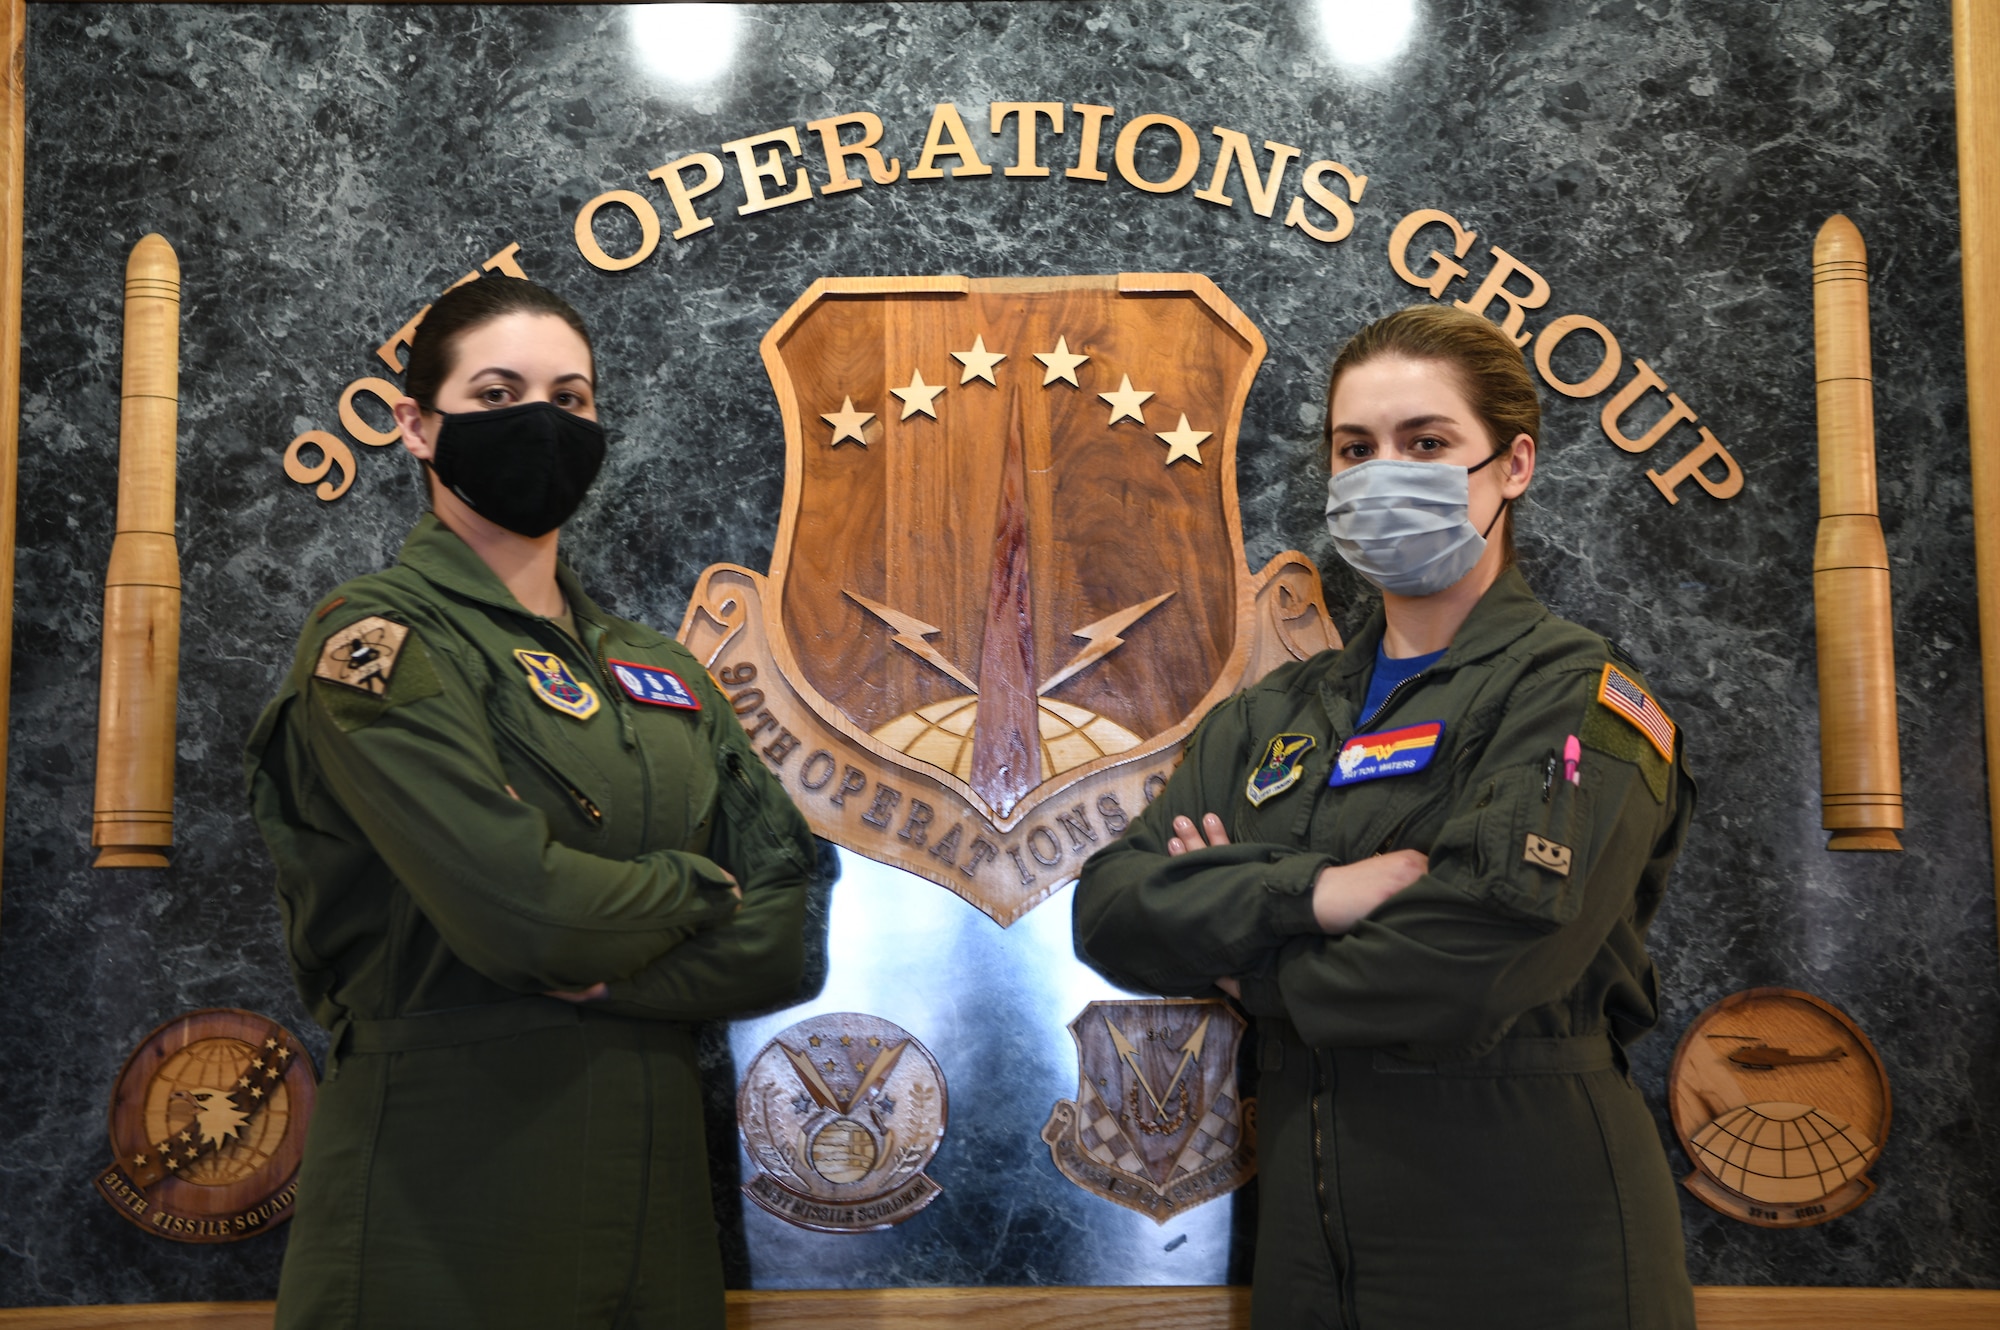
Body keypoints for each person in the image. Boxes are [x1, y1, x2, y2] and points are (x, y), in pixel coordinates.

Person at [1072, 304, 1698, 1329]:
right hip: (1309, 1251)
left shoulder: (1574, 694)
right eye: (1353, 448)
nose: (1380, 472)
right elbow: (1111, 910)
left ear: (1512, 466)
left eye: (1425, 442)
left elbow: (1474, 960)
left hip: (1530, 1240)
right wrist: (1315, 891)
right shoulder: (1271, 714)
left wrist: (1242, 961)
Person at [245, 276, 816, 1330]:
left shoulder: (661, 669)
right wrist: (694, 885)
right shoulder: (377, 643)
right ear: (417, 426)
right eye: (498, 393)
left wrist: (609, 978)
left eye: (572, 397)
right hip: (447, 1196)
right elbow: (529, 918)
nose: (542, 423)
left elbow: (789, 932)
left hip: (655, 1208)